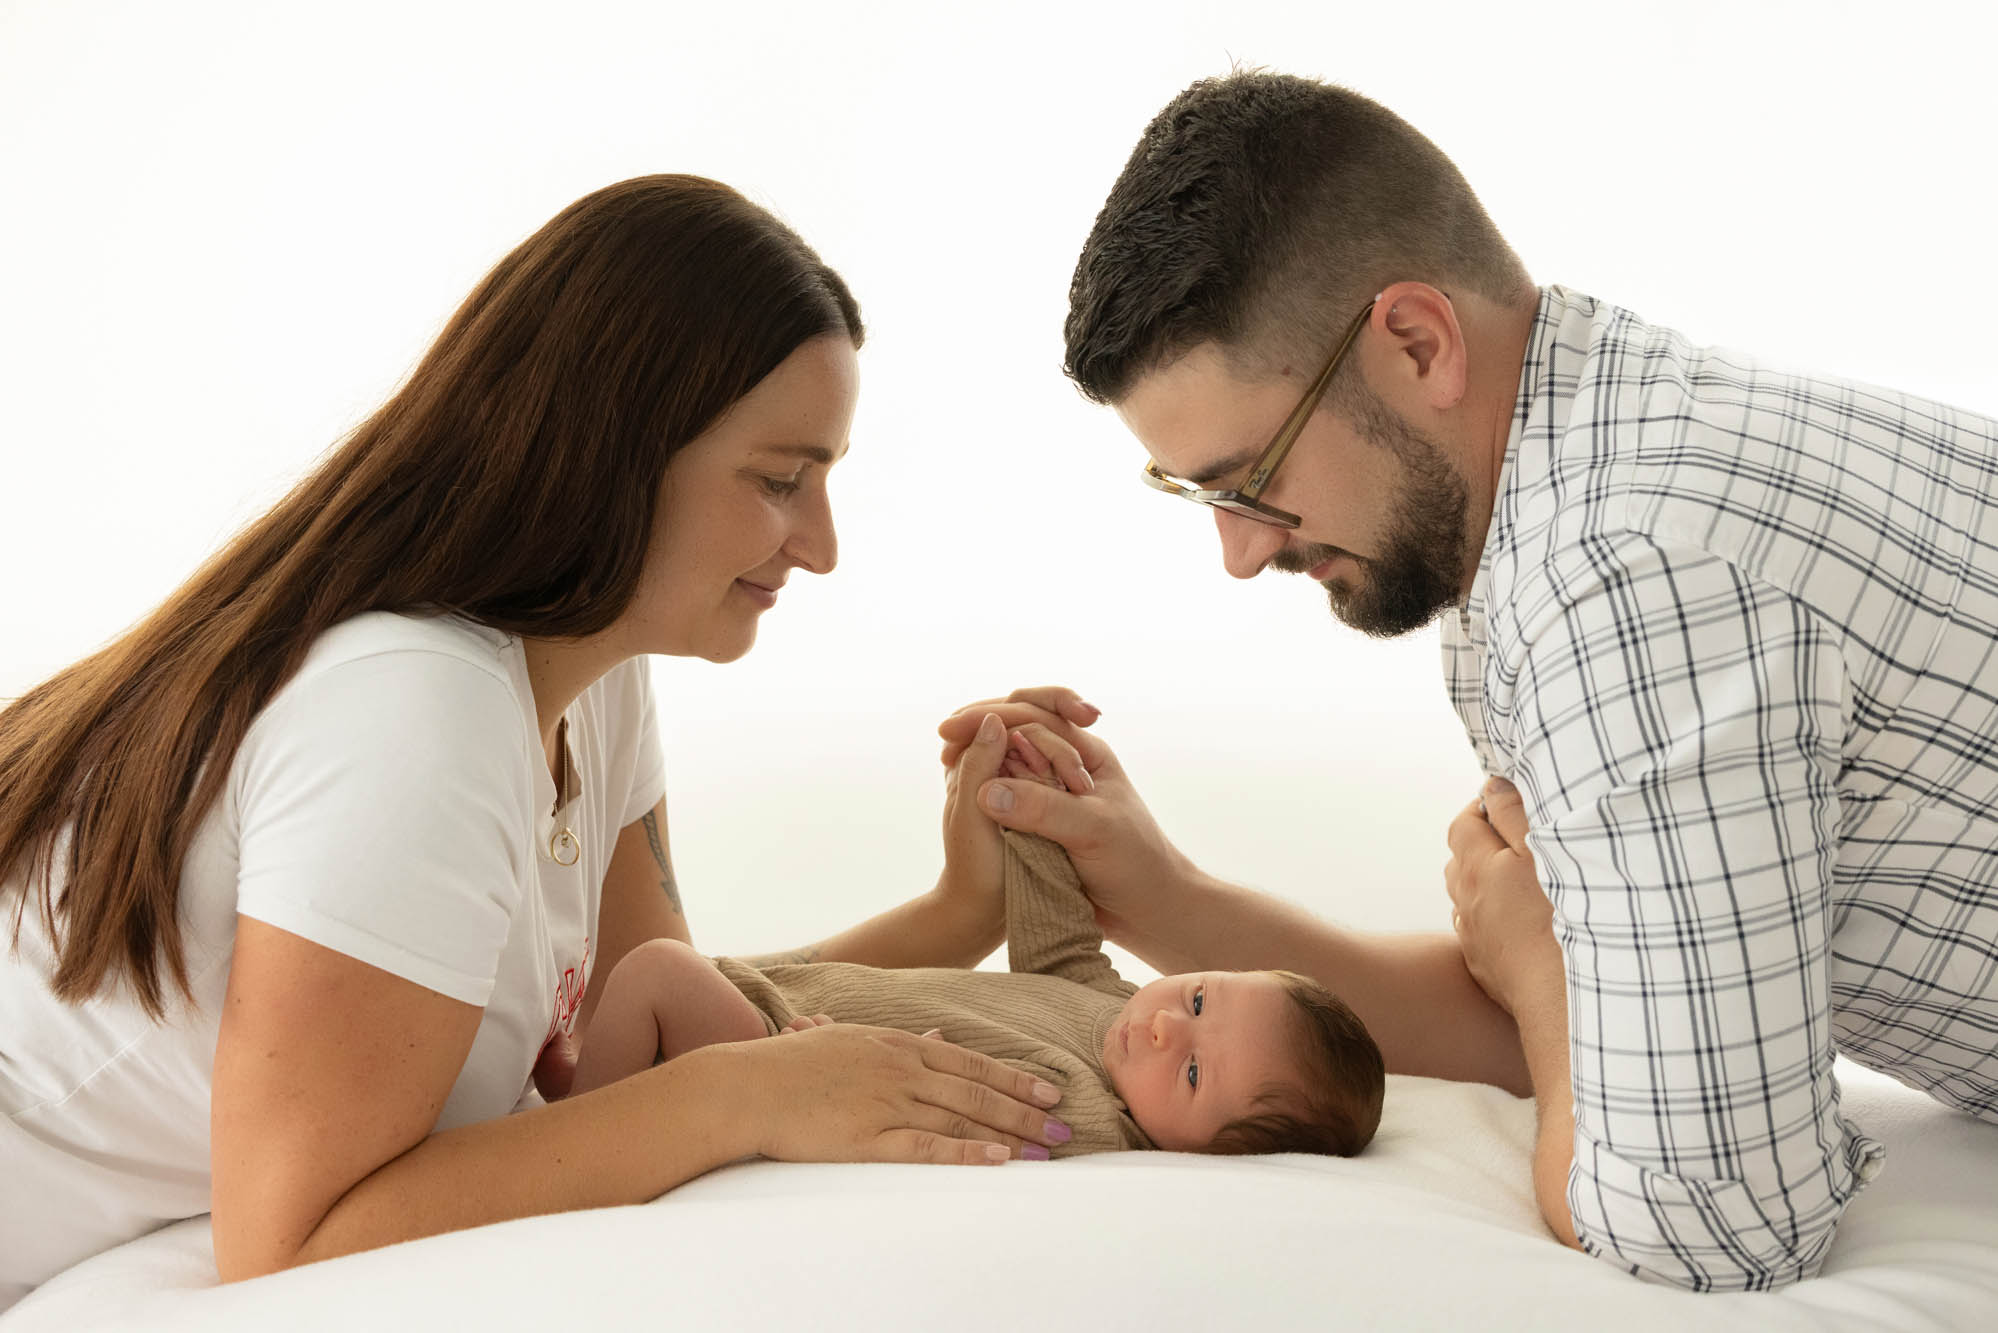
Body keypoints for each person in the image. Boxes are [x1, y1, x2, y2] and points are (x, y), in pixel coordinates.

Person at [938, 71, 1998, 1294]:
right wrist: (1161, 898)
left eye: (1250, 479)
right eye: (1200, 495)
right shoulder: (1578, 465)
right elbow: (1609, 1024)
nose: (1239, 551)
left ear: (1418, 343)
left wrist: (1538, 968)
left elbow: (1713, 1220)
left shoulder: (1621, 581)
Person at [0, 175, 1074, 1313]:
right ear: (615, 453)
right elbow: (291, 1239)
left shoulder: (593, 685)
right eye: (779, 480)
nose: (821, 544)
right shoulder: (414, 710)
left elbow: (653, 1035)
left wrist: (965, 908)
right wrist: (743, 1098)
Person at [541, 718, 1385, 1160]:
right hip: (779, 1007)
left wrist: (822, 1066)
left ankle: (578, 1129)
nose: (1167, 1026)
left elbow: (952, 1118)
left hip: (783, 1055)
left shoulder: (1084, 1117)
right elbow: (1058, 940)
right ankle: (589, 1078)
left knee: (656, 972)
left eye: (1194, 1073)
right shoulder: (1112, 1005)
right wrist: (1033, 790)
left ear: (1209, 1155)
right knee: (655, 981)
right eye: (1199, 999)